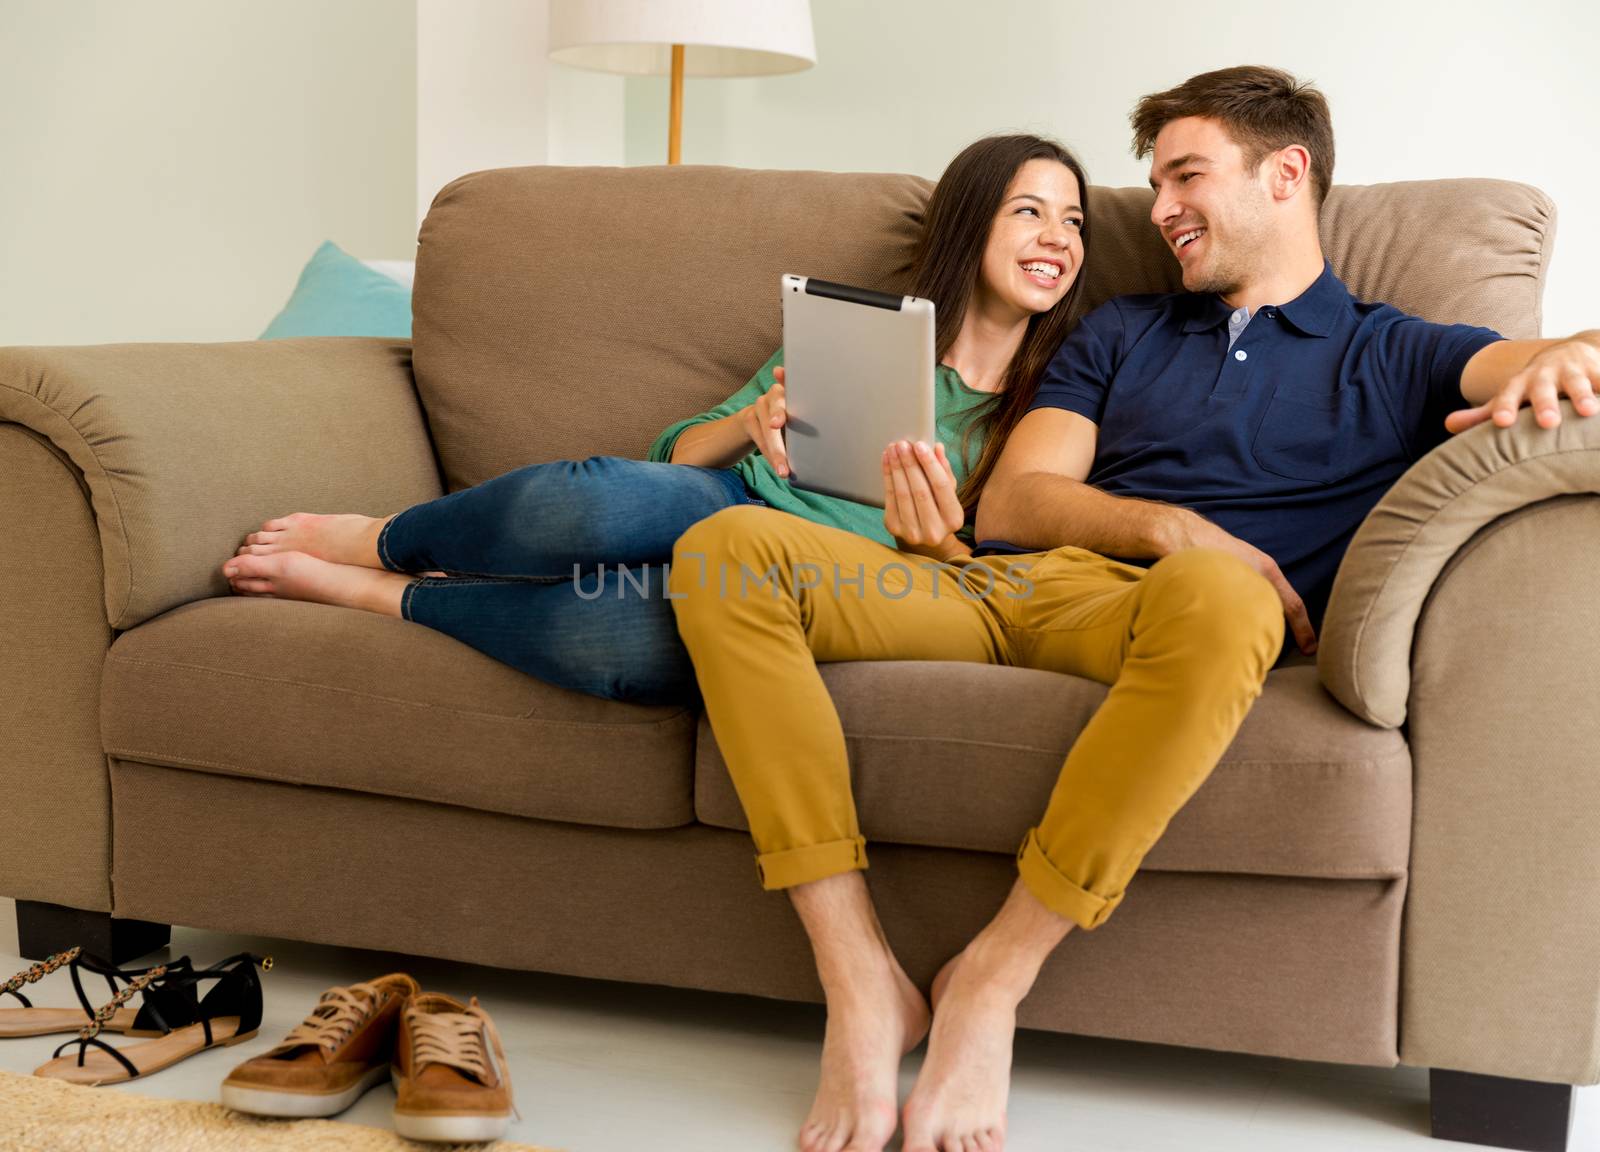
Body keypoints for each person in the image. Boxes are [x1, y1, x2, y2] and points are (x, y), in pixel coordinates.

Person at [666, 66, 1600, 1152]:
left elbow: (1540, 358)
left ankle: (990, 978)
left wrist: (1575, 359)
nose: (1157, 209)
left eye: (1185, 175)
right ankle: (859, 978)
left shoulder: (1395, 350)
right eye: (1154, 181)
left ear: (1285, 174)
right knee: (724, 546)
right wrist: (1167, 525)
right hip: (997, 587)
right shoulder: (1123, 331)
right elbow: (1016, 499)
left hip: (1181, 618)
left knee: (1223, 594)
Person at [218, 133, 1092, 705]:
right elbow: (672, 451)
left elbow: (993, 581)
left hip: (823, 576)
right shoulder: (862, 334)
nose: (1057, 236)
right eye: (1030, 211)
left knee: (614, 638)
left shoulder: (1055, 402)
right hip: (724, 500)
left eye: (1074, 222)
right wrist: (756, 420)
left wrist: (936, 538)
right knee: (594, 500)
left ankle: (392, 595)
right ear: (969, 223)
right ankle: (382, 538)